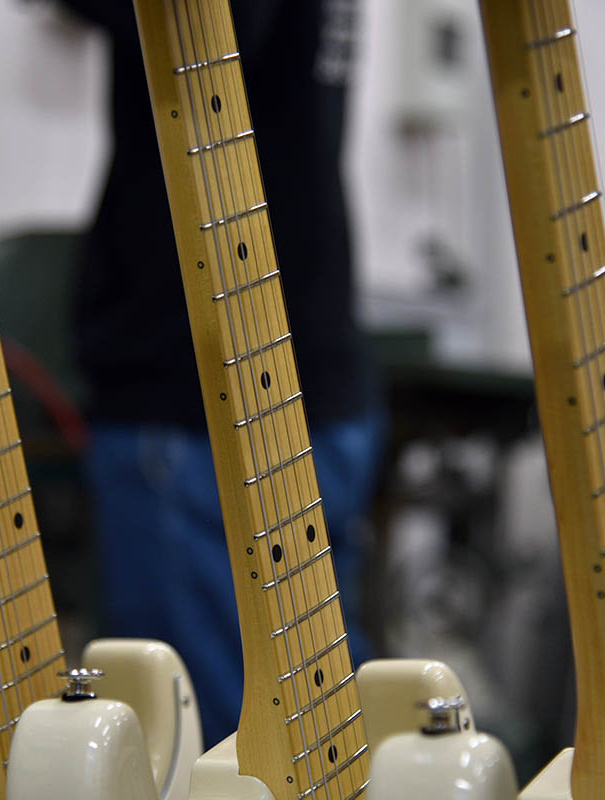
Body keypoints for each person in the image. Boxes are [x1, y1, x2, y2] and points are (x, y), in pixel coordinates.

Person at [59, 0, 385, 748]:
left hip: (202, 391)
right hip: (300, 370)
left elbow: (214, 22)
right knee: (316, 736)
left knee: (211, 750)